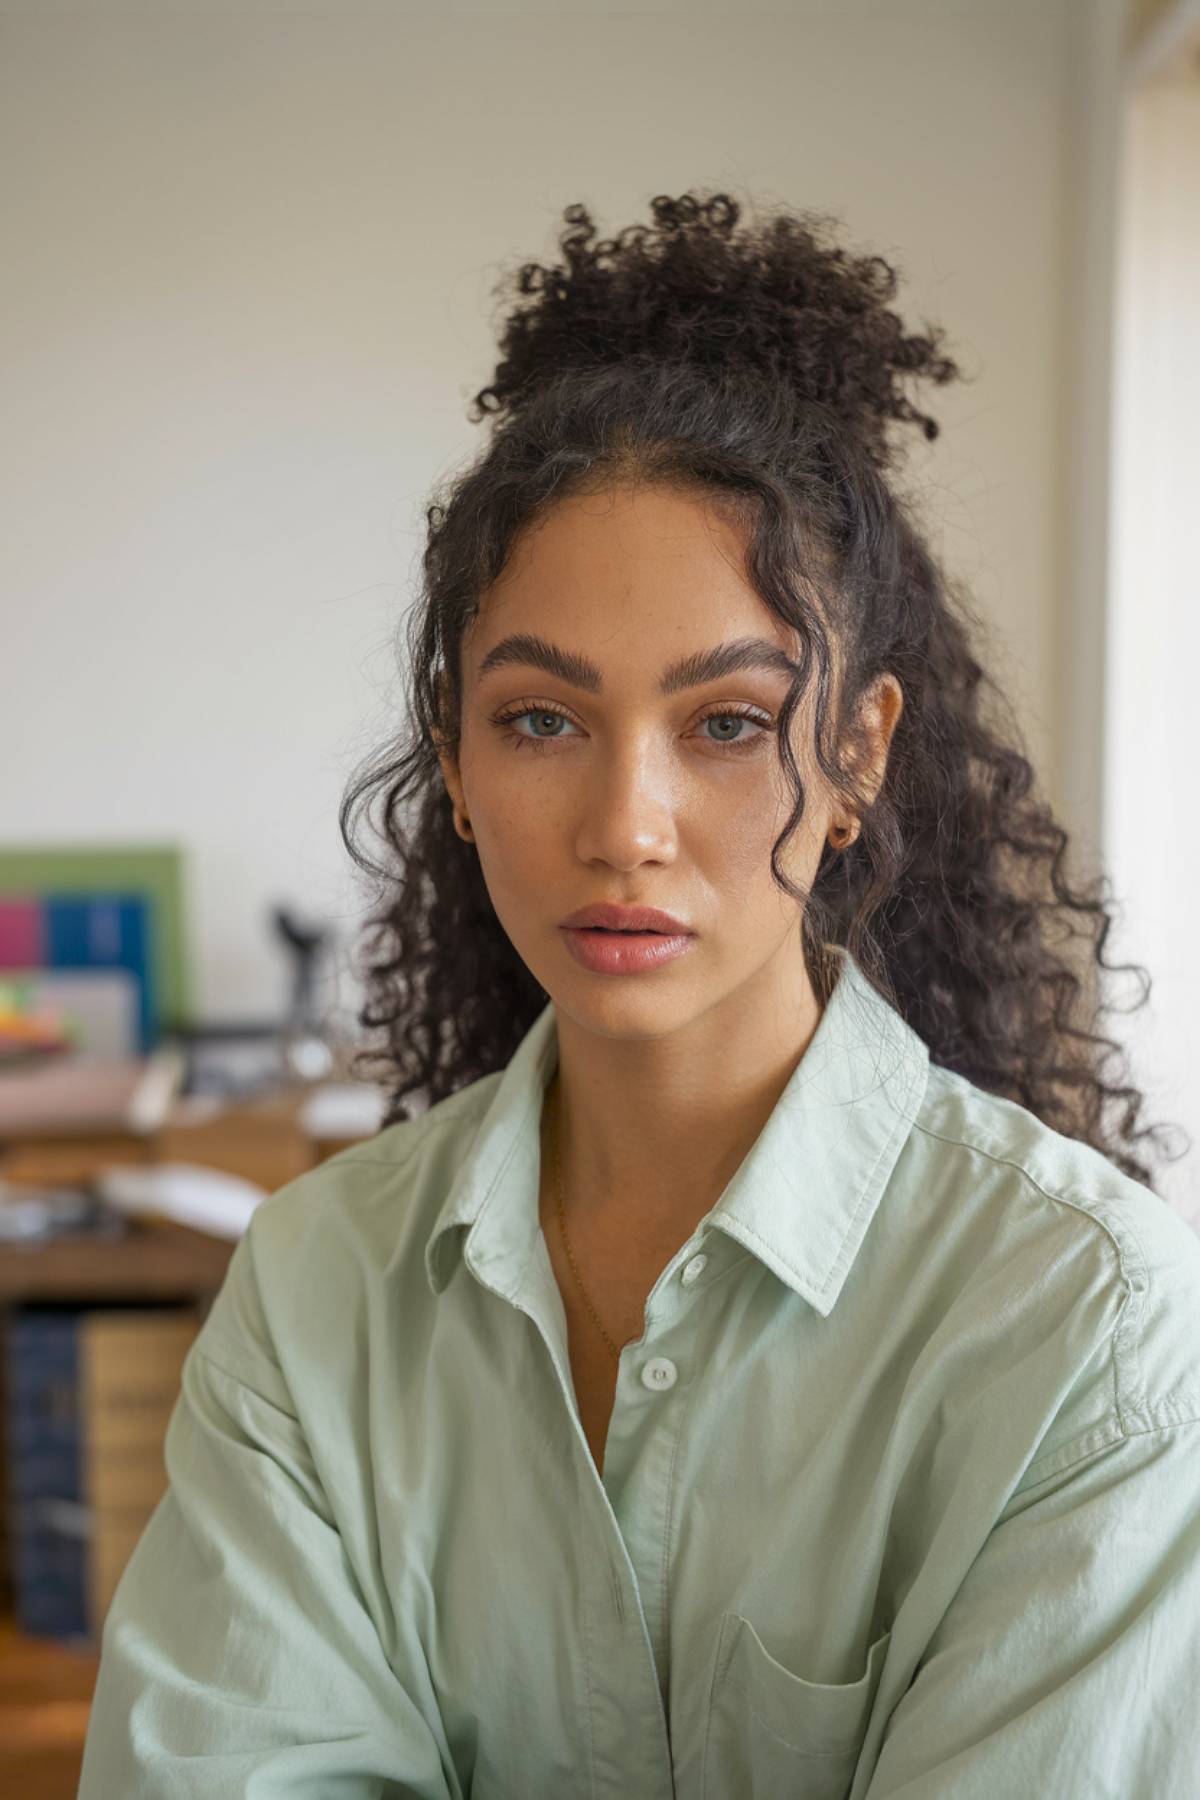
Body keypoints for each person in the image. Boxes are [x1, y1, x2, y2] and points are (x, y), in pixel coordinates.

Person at [78, 189, 1200, 1799]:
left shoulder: (1096, 1337)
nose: (624, 827)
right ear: (454, 758)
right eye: (542, 720)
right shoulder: (318, 1296)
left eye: (728, 722)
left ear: (859, 755)